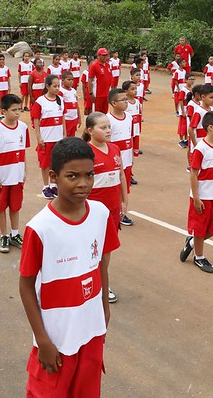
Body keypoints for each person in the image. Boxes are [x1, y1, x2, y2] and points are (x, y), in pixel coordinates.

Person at [18, 137, 119, 397]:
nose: (83, 183)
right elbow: (26, 286)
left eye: (89, 175)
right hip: (57, 337)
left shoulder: (100, 213)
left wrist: (104, 314)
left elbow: (101, 267)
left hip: (92, 329)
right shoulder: (40, 227)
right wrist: (42, 340)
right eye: (72, 176)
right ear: (54, 176)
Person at [83, 112, 127, 304]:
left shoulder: (115, 149)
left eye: (109, 126)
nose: (108, 130)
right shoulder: (85, 153)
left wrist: (124, 201)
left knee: (106, 248)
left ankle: (102, 281)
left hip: (112, 209)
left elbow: (122, 175)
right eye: (103, 127)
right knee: (90, 248)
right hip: (91, 211)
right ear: (90, 131)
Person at [180, 110, 213, 273]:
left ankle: (191, 242)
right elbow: (193, 173)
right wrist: (197, 198)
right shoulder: (200, 149)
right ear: (210, 128)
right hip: (203, 197)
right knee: (200, 228)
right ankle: (198, 256)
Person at [0, 94, 30, 253]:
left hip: (17, 176)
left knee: (15, 206)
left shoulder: (23, 127)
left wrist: (24, 169)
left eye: (19, 109)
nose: (17, 113)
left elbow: (23, 151)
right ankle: (4, 235)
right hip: (2, 177)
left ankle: (14, 233)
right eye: (14, 110)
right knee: (0, 207)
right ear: (4, 111)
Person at [31, 74, 65, 199]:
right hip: (46, 138)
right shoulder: (40, 101)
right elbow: (36, 120)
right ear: (47, 86)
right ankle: (46, 186)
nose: (57, 88)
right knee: (45, 164)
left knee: (55, 163)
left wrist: (64, 134)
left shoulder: (60, 100)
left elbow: (63, 118)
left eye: (58, 86)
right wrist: (38, 137)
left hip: (58, 138)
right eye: (54, 86)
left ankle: (53, 185)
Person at [108, 88, 136, 219]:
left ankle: (122, 208)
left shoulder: (129, 117)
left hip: (127, 159)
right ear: (114, 103)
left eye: (126, 99)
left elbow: (130, 137)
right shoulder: (108, 120)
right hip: (115, 161)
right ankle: (118, 211)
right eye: (123, 100)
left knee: (125, 187)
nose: (126, 102)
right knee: (115, 187)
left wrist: (131, 156)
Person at [124, 76, 143, 157]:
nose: (135, 91)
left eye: (135, 89)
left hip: (136, 124)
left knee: (136, 137)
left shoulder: (137, 101)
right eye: (132, 89)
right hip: (128, 125)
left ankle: (135, 150)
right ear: (126, 92)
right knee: (129, 137)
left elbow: (139, 113)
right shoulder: (125, 103)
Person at [89, 48, 112, 114]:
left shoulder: (108, 65)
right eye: (103, 55)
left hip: (106, 94)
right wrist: (91, 93)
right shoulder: (94, 65)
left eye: (106, 55)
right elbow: (90, 80)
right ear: (98, 56)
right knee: (97, 114)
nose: (105, 57)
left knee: (104, 113)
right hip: (97, 94)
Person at [60, 71, 81, 138]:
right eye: (68, 80)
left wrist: (79, 118)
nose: (71, 81)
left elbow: (76, 105)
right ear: (63, 80)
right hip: (66, 119)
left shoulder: (73, 91)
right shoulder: (61, 91)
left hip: (74, 118)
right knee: (65, 137)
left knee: (72, 136)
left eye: (72, 79)